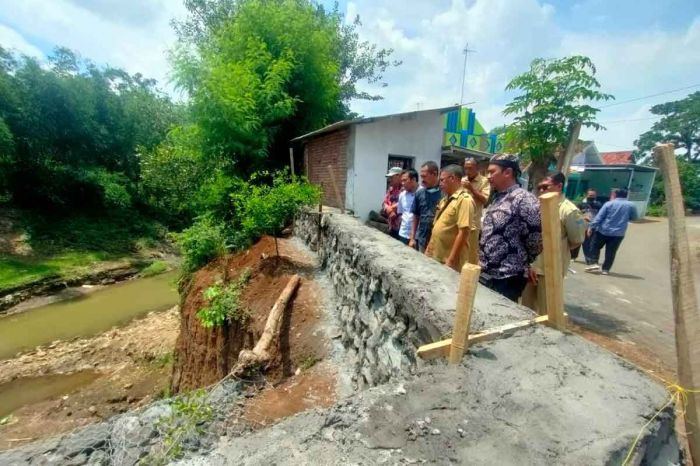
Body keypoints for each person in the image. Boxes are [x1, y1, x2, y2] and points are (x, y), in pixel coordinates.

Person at [479, 154, 542, 302]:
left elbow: (535, 239)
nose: (488, 177)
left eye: (492, 172)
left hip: (508, 275)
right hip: (488, 272)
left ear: (507, 172)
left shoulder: (524, 200)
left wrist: (525, 260)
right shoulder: (498, 197)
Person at [522, 172, 585, 314]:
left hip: (551, 270)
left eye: (546, 187)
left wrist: (553, 251)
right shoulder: (536, 206)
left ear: (559, 186)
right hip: (531, 267)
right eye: (540, 188)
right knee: (525, 308)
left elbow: (576, 240)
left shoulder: (569, 211)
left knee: (547, 311)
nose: (542, 191)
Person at [425, 164, 477, 271]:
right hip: (436, 257)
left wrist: (450, 261)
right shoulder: (444, 200)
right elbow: (436, 229)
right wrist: (428, 251)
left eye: (442, 180)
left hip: (448, 263)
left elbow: (463, 232)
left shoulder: (464, 200)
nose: (440, 184)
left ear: (452, 178)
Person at [586, 188, 638, 275]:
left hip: (603, 231)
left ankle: (593, 263)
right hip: (618, 233)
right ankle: (605, 269)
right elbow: (635, 218)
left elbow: (599, 217)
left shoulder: (608, 204)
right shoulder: (631, 205)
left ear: (615, 195)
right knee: (611, 251)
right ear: (626, 195)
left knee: (595, 246)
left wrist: (591, 227)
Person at [461, 157, 491, 264]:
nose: (467, 171)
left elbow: (484, 200)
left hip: (473, 225)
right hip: (459, 223)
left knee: (470, 255)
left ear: (477, 168)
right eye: (466, 168)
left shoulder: (484, 181)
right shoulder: (462, 180)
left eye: (470, 168)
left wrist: (471, 189)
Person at [408, 161, 442, 252]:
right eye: (421, 176)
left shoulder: (444, 194)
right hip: (422, 240)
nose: (422, 179)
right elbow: (416, 216)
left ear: (434, 174)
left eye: (424, 176)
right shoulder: (419, 193)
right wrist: (412, 238)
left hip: (439, 242)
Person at [576, 189, 603, 264]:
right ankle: (588, 259)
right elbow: (576, 216)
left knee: (592, 244)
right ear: (587, 195)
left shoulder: (598, 205)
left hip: (594, 227)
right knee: (585, 243)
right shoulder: (581, 204)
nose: (592, 197)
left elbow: (601, 215)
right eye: (590, 195)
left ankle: (591, 259)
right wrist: (582, 219)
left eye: (593, 196)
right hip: (583, 226)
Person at [397, 168, 419, 247]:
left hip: (417, 236)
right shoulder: (402, 195)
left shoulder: (422, 194)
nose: (402, 183)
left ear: (413, 179)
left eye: (405, 180)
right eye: (401, 181)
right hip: (403, 234)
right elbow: (400, 213)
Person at [382, 166, 403, 239]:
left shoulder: (405, 189)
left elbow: (405, 204)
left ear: (399, 176)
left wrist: (392, 208)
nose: (389, 180)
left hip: (401, 228)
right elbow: (384, 202)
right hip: (391, 225)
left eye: (391, 177)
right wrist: (387, 208)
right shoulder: (391, 189)